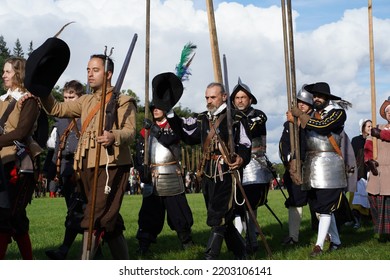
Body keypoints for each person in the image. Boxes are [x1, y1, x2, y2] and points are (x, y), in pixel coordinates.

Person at [23, 53, 137, 259]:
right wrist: (43, 89)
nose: (90, 74)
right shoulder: (85, 101)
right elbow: (56, 108)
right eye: (88, 70)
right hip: (86, 165)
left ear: (109, 74)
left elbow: (130, 132)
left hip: (111, 165)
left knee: (94, 216)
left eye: (96, 70)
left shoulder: (124, 101)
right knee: (110, 221)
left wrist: (114, 136)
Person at [166, 80, 252, 260]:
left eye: (213, 97)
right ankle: (241, 252)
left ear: (224, 97)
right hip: (208, 172)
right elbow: (187, 135)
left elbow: (245, 144)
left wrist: (241, 158)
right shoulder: (202, 118)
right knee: (222, 218)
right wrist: (170, 114)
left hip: (228, 173)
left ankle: (210, 258)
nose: (209, 101)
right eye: (207, 97)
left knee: (219, 216)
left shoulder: (236, 118)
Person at [289, 82, 349, 257]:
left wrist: (300, 114)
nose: (316, 99)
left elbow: (322, 127)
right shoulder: (313, 114)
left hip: (330, 164)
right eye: (314, 96)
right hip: (312, 164)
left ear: (327, 98)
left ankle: (319, 245)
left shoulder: (338, 113)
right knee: (322, 208)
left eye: (320, 96)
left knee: (324, 208)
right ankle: (336, 242)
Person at [135, 97, 194, 255]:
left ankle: (187, 241)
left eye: (159, 107)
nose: (155, 109)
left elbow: (169, 140)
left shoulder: (174, 126)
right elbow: (140, 154)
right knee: (149, 214)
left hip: (171, 175)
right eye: (153, 107)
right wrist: (142, 170)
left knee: (178, 212)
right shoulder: (146, 131)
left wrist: (154, 130)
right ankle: (144, 245)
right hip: (152, 176)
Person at [0, 57, 42, 260]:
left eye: (8, 71)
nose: (3, 75)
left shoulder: (29, 100)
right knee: (10, 216)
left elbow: (21, 132)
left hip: (18, 164)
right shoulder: (1, 100)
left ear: (18, 73)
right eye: (4, 71)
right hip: (1, 162)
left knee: (9, 215)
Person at [44, 80, 87, 260]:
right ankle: (75, 251)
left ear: (80, 98)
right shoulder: (59, 120)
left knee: (82, 212)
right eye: (66, 97)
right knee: (74, 212)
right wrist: (51, 174)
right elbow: (56, 149)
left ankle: (68, 250)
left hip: (84, 169)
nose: (68, 100)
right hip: (66, 171)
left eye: (72, 97)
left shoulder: (87, 117)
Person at [230, 78, 272, 255]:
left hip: (254, 164)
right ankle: (240, 239)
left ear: (250, 99)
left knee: (249, 204)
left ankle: (251, 239)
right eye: (237, 97)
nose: (240, 100)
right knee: (236, 206)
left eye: (243, 97)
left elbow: (249, 128)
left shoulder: (258, 115)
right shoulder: (229, 117)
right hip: (235, 165)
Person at [280, 85, 317, 245]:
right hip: (297, 168)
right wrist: (290, 160)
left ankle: (326, 235)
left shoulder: (316, 120)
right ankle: (293, 237)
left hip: (315, 167)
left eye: (305, 102)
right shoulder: (289, 124)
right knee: (296, 201)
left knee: (319, 203)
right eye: (299, 102)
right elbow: (284, 145)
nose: (301, 105)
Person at [364, 97, 390, 242]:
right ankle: (383, 232)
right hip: (378, 172)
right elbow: (368, 146)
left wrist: (380, 134)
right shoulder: (377, 127)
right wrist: (369, 161)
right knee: (375, 200)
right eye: (388, 111)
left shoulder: (378, 131)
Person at [349, 119, 372, 229]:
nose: (370, 128)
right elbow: (352, 157)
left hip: (370, 172)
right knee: (357, 198)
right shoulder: (356, 140)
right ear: (363, 128)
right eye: (368, 126)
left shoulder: (374, 140)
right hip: (359, 173)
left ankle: (368, 219)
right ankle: (356, 220)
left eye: (371, 126)